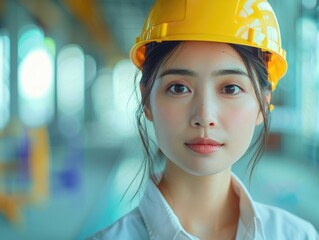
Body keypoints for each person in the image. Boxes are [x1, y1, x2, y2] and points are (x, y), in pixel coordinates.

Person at [88, 0, 319, 239]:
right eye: (179, 88)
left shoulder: (298, 235)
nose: (204, 117)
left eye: (230, 88)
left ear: (263, 104)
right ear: (147, 99)